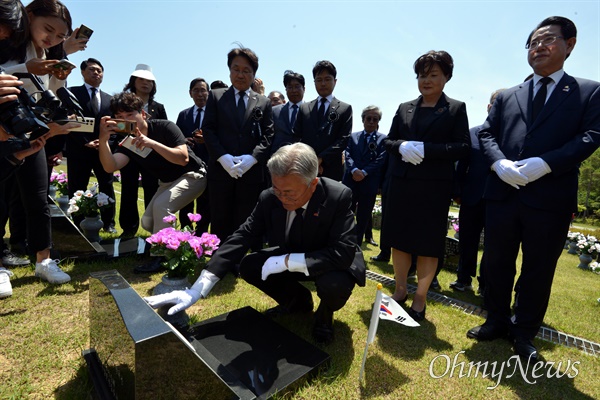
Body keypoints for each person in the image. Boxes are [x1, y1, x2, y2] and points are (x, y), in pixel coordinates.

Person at [468, 16, 600, 362]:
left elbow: (591, 136)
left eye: (548, 40)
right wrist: (498, 163)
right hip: (503, 192)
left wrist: (547, 163)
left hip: (549, 197)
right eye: (533, 42)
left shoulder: (588, 91)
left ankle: (524, 331)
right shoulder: (509, 94)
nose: (539, 47)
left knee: (538, 268)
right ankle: (495, 319)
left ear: (570, 45)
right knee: (496, 262)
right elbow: (485, 133)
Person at [145, 143, 366, 344]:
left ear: (313, 183)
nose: (281, 198)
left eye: (289, 193)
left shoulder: (338, 195)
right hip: (291, 250)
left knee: (333, 286)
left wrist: (287, 262)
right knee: (250, 266)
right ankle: (298, 303)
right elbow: (242, 236)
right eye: (277, 189)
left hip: (330, 260)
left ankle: (325, 315)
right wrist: (197, 290)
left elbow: (343, 252)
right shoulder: (269, 197)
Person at [381, 50, 470, 322]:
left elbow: (463, 147)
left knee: (428, 244)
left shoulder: (455, 108)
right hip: (401, 184)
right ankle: (399, 291)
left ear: (446, 77)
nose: (426, 80)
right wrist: (402, 146)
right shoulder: (404, 107)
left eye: (433, 75)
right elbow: (389, 141)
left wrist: (426, 150)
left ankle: (420, 298)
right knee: (400, 241)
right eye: (422, 75)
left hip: (433, 188)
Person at [0, 0, 77, 286]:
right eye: (48, 29)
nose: (52, 38)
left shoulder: (49, 55)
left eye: (60, 36)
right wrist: (25, 67)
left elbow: (50, 94)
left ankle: (44, 260)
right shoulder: (9, 43)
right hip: (5, 130)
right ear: (28, 15)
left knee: (38, 198)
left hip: (34, 133)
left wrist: (59, 79)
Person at [98, 92, 207, 273]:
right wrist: (103, 140)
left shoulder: (165, 127)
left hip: (193, 175)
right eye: (120, 117)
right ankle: (180, 244)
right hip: (167, 183)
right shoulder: (128, 141)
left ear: (142, 113)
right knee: (148, 223)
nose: (125, 120)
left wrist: (152, 143)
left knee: (162, 208)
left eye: (129, 115)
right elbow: (111, 166)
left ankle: (161, 258)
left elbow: (183, 159)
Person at [201, 46, 274, 247]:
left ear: (254, 74)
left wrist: (252, 159)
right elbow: (208, 130)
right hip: (221, 170)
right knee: (220, 215)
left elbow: (268, 135)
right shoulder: (216, 96)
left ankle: (238, 258)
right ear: (229, 70)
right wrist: (222, 158)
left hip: (250, 172)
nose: (240, 75)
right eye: (236, 69)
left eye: (246, 71)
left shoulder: (263, 102)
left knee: (245, 217)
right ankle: (219, 258)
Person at [450, 89, 504, 295]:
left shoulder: (512, 135)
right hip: (470, 197)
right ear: (488, 107)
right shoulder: (472, 133)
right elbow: (461, 166)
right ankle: (463, 279)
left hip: (498, 199)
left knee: (494, 246)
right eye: (494, 104)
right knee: (467, 241)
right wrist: (457, 191)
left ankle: (485, 283)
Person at [65, 58, 116, 233]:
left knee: (107, 185)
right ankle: (77, 223)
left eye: (99, 70)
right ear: (82, 72)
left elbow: (115, 126)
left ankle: (109, 223)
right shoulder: (71, 93)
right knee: (77, 186)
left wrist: (104, 142)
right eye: (92, 69)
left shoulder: (110, 99)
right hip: (78, 150)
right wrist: (85, 142)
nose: (96, 73)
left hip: (103, 151)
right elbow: (67, 122)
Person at [119, 64, 166, 238]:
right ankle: (128, 228)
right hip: (129, 152)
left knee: (152, 189)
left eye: (149, 81)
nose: (146, 83)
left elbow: (163, 130)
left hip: (151, 155)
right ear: (133, 81)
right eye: (141, 80)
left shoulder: (158, 107)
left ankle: (152, 229)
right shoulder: (122, 104)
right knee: (128, 189)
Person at [293, 60, 352, 181]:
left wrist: (321, 159)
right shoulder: (304, 108)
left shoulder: (345, 109)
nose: (323, 83)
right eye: (319, 80)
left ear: (335, 81)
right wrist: (311, 160)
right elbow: (297, 137)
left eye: (327, 79)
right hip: (307, 167)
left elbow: (343, 140)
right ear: (314, 82)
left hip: (332, 169)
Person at [342, 105, 386, 246]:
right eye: (369, 118)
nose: (371, 121)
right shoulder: (352, 137)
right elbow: (347, 154)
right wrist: (354, 170)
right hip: (351, 181)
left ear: (378, 121)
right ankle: (343, 242)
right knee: (346, 213)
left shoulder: (383, 140)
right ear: (363, 120)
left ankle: (356, 246)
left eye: (375, 119)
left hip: (369, 183)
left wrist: (364, 172)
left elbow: (381, 160)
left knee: (363, 216)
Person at [176, 77, 211, 234]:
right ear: (190, 93)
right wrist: (185, 140)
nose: (200, 94)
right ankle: (185, 232)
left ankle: (202, 232)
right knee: (186, 201)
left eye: (203, 90)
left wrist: (207, 140)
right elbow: (176, 138)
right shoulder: (183, 115)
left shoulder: (215, 115)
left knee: (205, 201)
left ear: (208, 93)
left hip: (209, 164)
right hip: (188, 165)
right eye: (196, 90)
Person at [270, 70, 305, 155]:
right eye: (290, 87)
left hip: (302, 160)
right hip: (278, 160)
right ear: (286, 89)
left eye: (297, 86)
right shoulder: (274, 111)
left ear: (304, 89)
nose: (293, 90)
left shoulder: (312, 111)